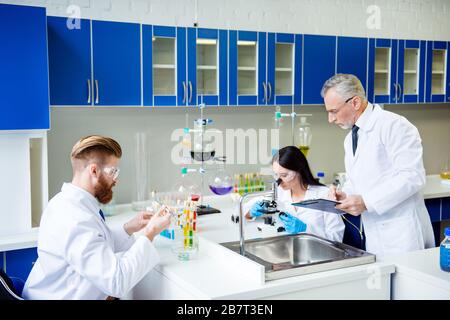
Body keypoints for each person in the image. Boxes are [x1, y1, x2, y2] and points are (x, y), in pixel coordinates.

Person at [22, 135, 171, 300]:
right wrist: (150, 232)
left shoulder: (67, 202)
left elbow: (95, 243)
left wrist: (129, 227)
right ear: (94, 170)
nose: (116, 179)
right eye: (113, 171)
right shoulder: (74, 218)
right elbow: (116, 282)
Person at [321, 73, 435, 258]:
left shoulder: (395, 126)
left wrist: (366, 202)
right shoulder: (351, 138)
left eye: (333, 111)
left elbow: (412, 176)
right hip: (375, 234)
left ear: (355, 103)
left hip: (402, 234)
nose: (330, 119)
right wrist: (345, 194)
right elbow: (357, 180)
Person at [246, 146, 344, 242]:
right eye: (276, 175)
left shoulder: (324, 194)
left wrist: (306, 229)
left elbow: (336, 238)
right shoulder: (279, 192)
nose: (278, 181)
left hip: (319, 255)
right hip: (287, 251)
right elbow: (243, 213)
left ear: (299, 170)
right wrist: (250, 213)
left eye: (284, 175)